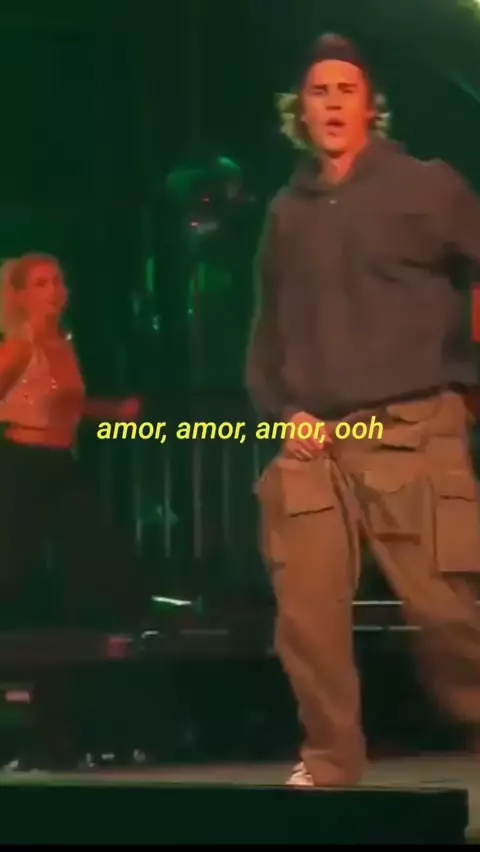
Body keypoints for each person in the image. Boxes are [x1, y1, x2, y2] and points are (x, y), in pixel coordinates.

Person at [247, 33, 480, 787]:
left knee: (447, 614)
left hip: (412, 430)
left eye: (347, 90)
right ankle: (331, 763)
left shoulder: (425, 186)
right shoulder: (287, 211)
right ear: (299, 112)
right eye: (320, 92)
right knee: (307, 617)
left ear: (371, 106)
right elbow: (269, 329)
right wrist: (284, 410)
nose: (333, 104)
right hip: (314, 441)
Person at [0, 252, 148, 769]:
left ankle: (76, 718)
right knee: (10, 575)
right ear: (20, 295)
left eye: (57, 280)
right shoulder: (19, 345)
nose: (53, 290)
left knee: (98, 569)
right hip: (22, 465)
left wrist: (115, 412)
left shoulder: (63, 344)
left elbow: (68, 404)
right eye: (40, 283)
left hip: (60, 465)